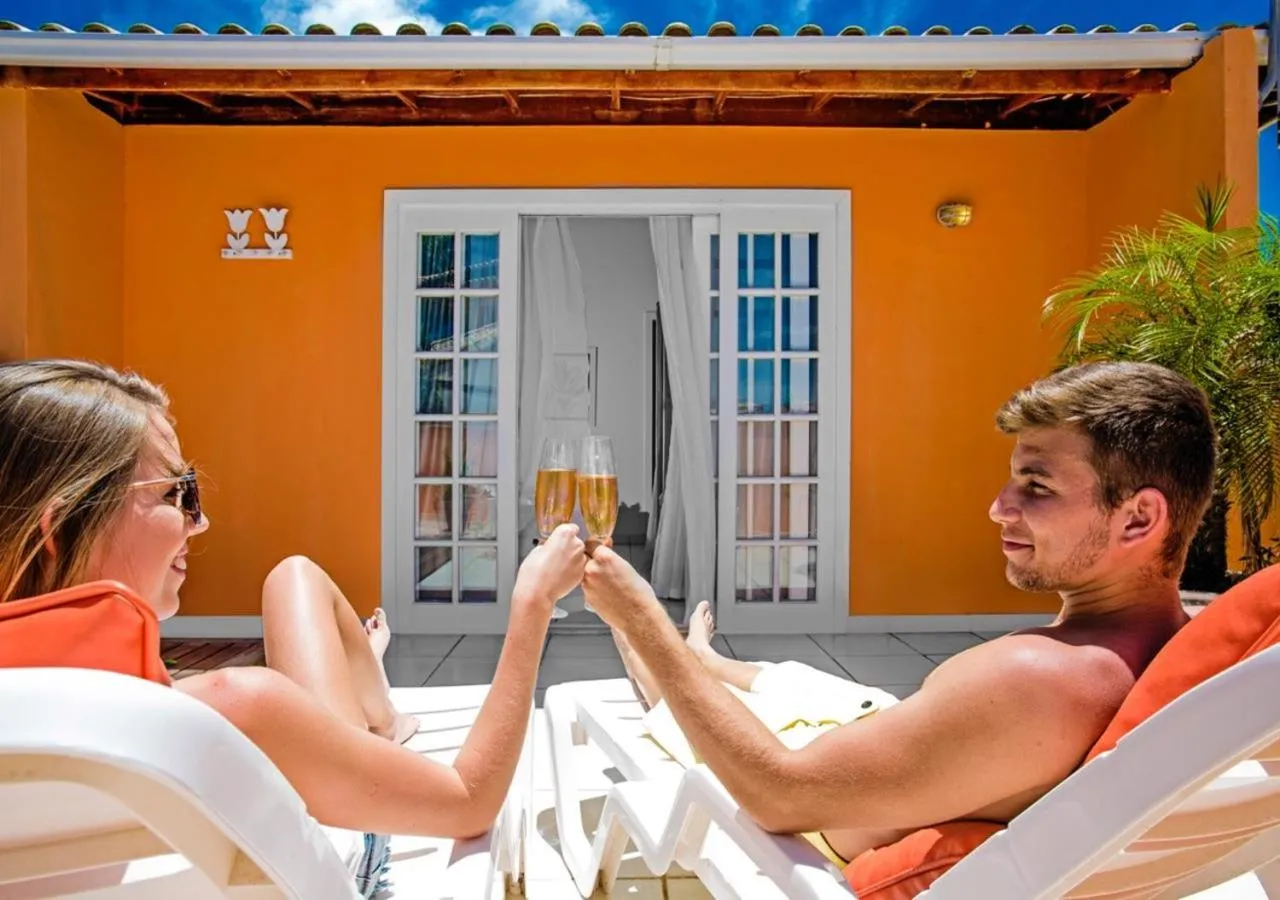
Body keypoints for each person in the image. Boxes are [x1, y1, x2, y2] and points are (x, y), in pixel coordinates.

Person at [582, 361, 1217, 867]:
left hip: (807, 787)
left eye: (1036, 485)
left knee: (660, 676)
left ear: (1139, 518)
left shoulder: (1038, 677)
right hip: (891, 741)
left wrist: (638, 616)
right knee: (765, 675)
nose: (999, 507)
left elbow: (778, 794)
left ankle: (671, 649)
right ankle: (707, 659)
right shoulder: (1172, 646)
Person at [0, 359, 585, 847]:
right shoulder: (233, 705)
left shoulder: (38, 712)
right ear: (61, 529)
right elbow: (468, 804)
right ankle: (375, 709)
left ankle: (372, 699)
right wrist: (532, 602)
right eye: (177, 493)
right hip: (347, 841)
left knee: (293, 577)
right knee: (297, 582)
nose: (199, 521)